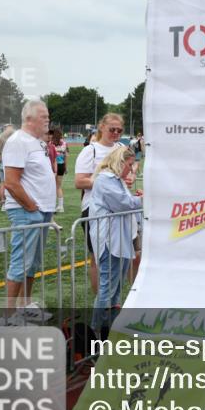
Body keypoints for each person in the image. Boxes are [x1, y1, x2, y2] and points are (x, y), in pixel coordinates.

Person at [1, 100, 57, 326]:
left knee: (31, 263)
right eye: (43, 116)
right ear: (29, 118)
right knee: (20, 263)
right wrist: (32, 207)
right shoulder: (18, 141)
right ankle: (8, 315)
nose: (47, 120)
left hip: (41, 211)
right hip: (28, 211)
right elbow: (12, 183)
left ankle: (25, 307)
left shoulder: (36, 142)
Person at [87, 147, 143, 336]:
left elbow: (125, 203)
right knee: (107, 288)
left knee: (114, 288)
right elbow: (122, 204)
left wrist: (136, 199)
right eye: (129, 165)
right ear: (120, 162)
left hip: (119, 239)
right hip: (110, 240)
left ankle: (108, 328)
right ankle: (97, 329)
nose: (131, 170)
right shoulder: (105, 179)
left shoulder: (115, 180)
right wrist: (142, 200)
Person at [75, 114, 125, 293]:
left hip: (119, 209)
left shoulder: (122, 148)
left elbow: (128, 176)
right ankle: (101, 303)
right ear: (101, 127)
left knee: (124, 255)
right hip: (94, 210)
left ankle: (118, 299)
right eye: (112, 129)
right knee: (98, 257)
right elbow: (80, 182)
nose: (116, 133)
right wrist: (108, 182)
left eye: (120, 130)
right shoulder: (91, 150)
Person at [50, 128, 67, 213]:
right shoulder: (63, 143)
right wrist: (66, 167)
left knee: (51, 186)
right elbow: (65, 154)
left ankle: (52, 205)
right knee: (58, 186)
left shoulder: (50, 143)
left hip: (53, 165)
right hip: (61, 165)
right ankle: (60, 206)